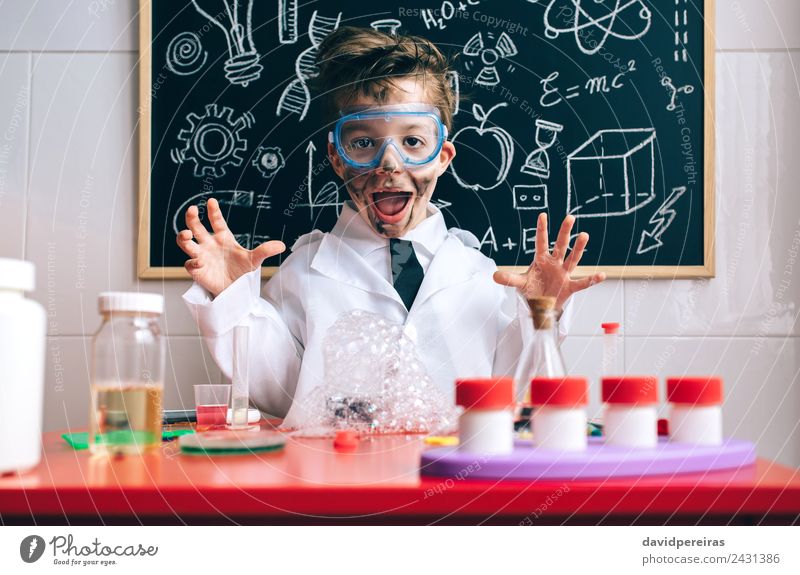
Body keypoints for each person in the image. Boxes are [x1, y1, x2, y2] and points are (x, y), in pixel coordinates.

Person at [178, 26, 606, 427]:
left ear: (443, 156)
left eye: (413, 141)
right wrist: (231, 296)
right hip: (341, 489)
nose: (389, 163)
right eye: (363, 142)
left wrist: (540, 313)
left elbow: (508, 392)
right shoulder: (305, 272)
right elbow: (277, 392)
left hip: (458, 488)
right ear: (336, 157)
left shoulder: (480, 276)